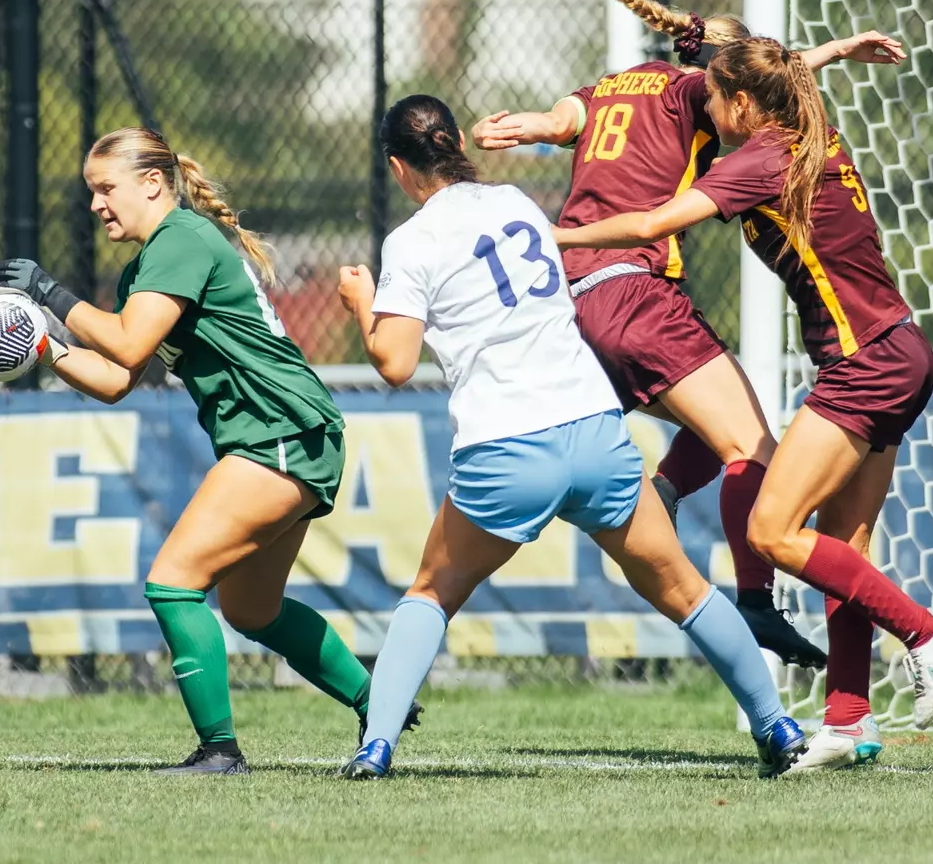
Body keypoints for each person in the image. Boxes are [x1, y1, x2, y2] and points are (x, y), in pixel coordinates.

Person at [339, 95, 804, 781]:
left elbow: (395, 362)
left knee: (432, 592)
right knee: (686, 589)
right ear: (460, 140)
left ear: (397, 168)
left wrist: (361, 304)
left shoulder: (412, 241)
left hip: (507, 445)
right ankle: (778, 726)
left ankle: (376, 747)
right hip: (593, 430)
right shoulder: (517, 203)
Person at [469, 0, 904, 670]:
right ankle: (756, 600)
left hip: (574, 300)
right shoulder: (693, 93)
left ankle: (663, 495)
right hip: (631, 288)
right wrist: (828, 52)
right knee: (752, 449)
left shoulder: (610, 86)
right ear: (725, 77)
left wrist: (521, 128)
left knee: (718, 418)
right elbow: (768, 85)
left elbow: (558, 119)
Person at [552, 38, 933, 770]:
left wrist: (555, 234)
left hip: (864, 365)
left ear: (743, 104)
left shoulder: (760, 161)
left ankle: (924, 630)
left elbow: (648, 225)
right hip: (899, 349)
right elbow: (785, 67)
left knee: (773, 533)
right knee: (844, 548)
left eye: (712, 95)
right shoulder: (809, 128)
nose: (704, 105)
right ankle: (849, 720)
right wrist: (834, 49)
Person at [0, 126, 415, 775]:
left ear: (152, 183)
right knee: (251, 609)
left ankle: (220, 752)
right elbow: (116, 379)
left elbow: (127, 343)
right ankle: (379, 704)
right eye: (91, 192)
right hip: (287, 433)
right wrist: (43, 347)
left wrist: (49, 295)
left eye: (106, 189)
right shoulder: (147, 266)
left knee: (173, 583)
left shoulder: (180, 240)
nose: (96, 204)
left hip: (280, 431)